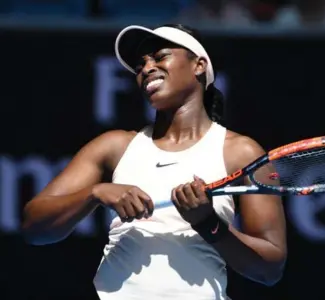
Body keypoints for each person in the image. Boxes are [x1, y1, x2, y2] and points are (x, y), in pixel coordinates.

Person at [22, 24, 287, 300]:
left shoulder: (241, 152)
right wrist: (95, 193)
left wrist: (208, 223)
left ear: (198, 65)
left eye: (160, 56)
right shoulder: (114, 146)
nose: (147, 68)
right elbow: (34, 227)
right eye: (141, 64)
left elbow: (269, 270)